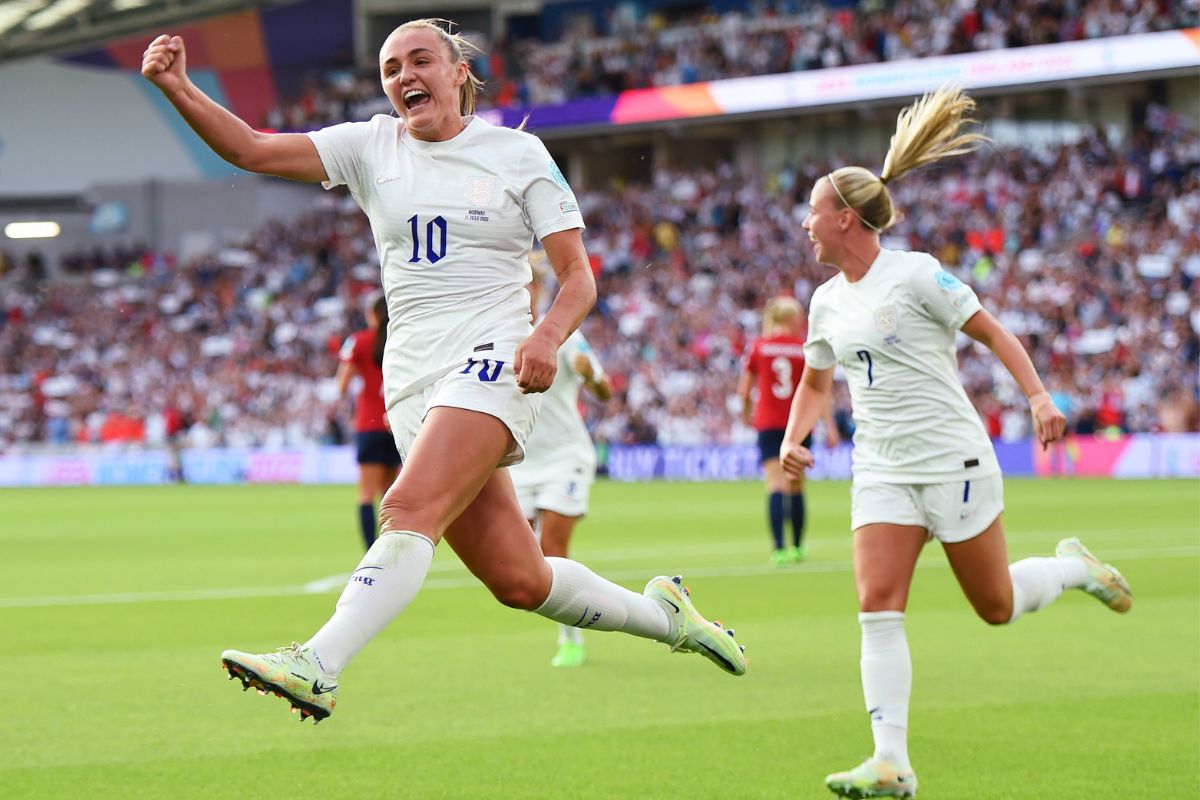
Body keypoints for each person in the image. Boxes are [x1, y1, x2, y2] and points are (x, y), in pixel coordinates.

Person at [140, 17, 747, 723]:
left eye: (419, 60)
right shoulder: (371, 146)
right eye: (391, 69)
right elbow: (252, 148)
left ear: (459, 71)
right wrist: (178, 88)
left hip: (490, 358)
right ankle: (668, 618)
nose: (404, 77)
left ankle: (318, 663)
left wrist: (548, 335)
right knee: (520, 580)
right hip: (412, 382)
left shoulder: (518, 154)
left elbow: (578, 276)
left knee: (405, 508)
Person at [779, 86, 1133, 798]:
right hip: (881, 468)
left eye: (813, 212)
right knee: (877, 605)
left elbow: (995, 332)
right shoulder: (825, 301)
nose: (805, 225)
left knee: (996, 606)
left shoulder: (915, 275)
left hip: (952, 460)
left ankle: (1073, 569)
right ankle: (892, 762)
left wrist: (1038, 396)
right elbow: (818, 382)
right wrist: (795, 438)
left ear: (845, 218)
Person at [510, 262, 613, 668]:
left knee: (552, 547)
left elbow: (605, 392)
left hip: (565, 457)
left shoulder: (566, 337)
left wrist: (591, 378)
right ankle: (581, 616)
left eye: (527, 284)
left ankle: (571, 638)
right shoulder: (493, 335)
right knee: (522, 562)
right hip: (519, 465)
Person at [737, 296, 837, 566]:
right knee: (796, 485)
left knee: (775, 484)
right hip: (800, 423)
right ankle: (797, 547)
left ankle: (779, 549)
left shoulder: (759, 347)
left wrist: (747, 414)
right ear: (792, 318)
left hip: (768, 423)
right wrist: (829, 426)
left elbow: (744, 390)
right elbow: (819, 391)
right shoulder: (804, 348)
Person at [335, 292, 402, 550]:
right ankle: (392, 547)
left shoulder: (360, 341)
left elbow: (341, 384)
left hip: (369, 423)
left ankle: (370, 551)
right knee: (391, 491)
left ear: (372, 314)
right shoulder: (401, 339)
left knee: (366, 492)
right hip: (396, 422)